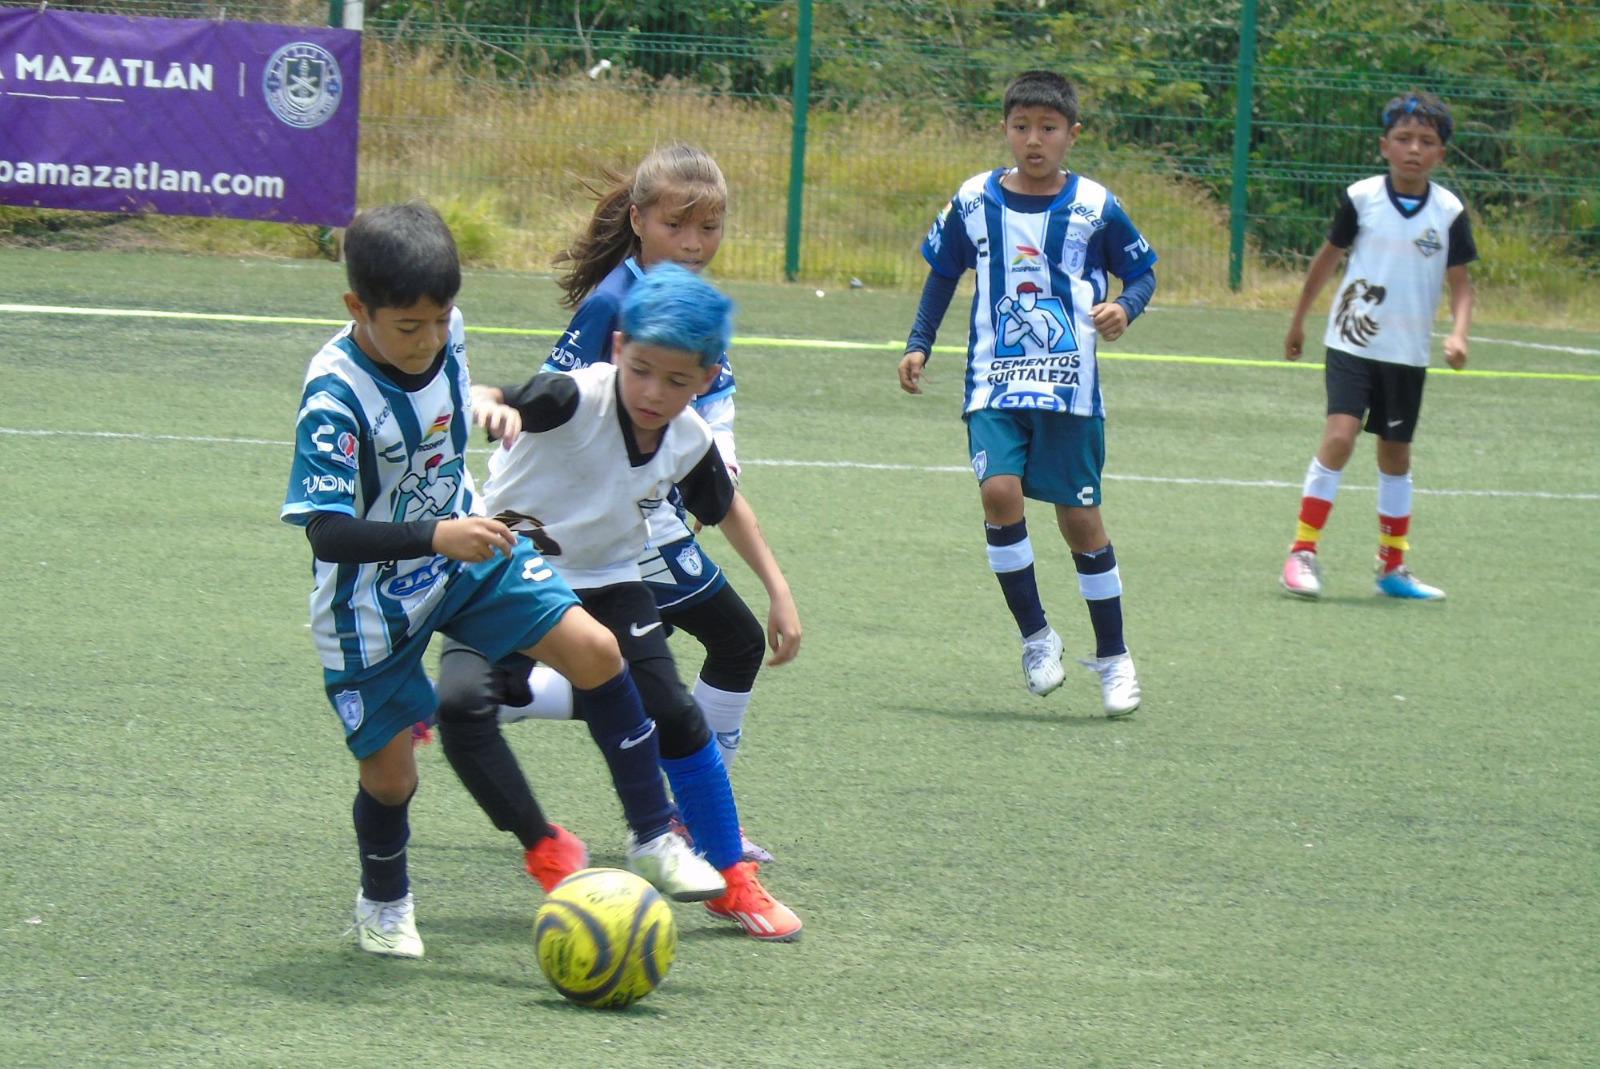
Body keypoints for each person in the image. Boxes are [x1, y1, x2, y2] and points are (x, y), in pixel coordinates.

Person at [281, 202, 710, 959]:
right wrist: (433, 532)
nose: (431, 340)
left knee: (598, 650)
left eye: (441, 320)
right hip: (370, 605)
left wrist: (489, 413)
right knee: (391, 780)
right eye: (408, 327)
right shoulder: (334, 398)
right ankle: (383, 902)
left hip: (471, 552)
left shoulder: (449, 333)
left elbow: (458, 401)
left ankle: (653, 834)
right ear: (358, 308)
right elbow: (325, 532)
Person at [461, 264, 802, 942]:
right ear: (618, 348)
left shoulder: (686, 439)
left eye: (678, 380)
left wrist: (779, 589)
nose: (653, 392)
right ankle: (545, 843)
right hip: (507, 569)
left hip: (611, 580)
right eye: (641, 369)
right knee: (458, 704)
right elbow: (495, 391)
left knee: (674, 712)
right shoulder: (571, 397)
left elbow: (724, 505)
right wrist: (489, 404)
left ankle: (729, 875)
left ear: (706, 378)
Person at [501, 142, 799, 864]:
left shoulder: (685, 308)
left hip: (655, 513)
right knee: (717, 647)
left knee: (680, 660)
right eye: (678, 226)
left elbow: (700, 432)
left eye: (711, 227)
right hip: (618, 527)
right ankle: (695, 812)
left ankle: (511, 692)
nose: (695, 244)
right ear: (638, 220)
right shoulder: (614, 303)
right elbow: (549, 409)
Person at [897, 70, 1157, 716]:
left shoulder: (1096, 206)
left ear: (1072, 134)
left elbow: (1143, 271)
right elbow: (942, 273)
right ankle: (1037, 636)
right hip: (995, 381)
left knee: (1080, 522)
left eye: (1047, 128)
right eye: (1021, 127)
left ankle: (1114, 655)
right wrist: (918, 340)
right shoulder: (973, 200)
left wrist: (1126, 307)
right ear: (1006, 129)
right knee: (998, 491)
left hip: (1071, 391)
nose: (1033, 140)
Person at [1280, 90, 1476, 601]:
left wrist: (1458, 332)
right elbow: (1326, 260)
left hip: (1407, 354)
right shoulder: (1361, 198)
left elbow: (1461, 282)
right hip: (1351, 344)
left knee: (1395, 457)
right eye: (1404, 139)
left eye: (1426, 141)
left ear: (1441, 154)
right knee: (1341, 437)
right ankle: (1302, 553)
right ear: (1383, 146)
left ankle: (1392, 567)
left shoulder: (1450, 211)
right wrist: (1299, 321)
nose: (1414, 149)